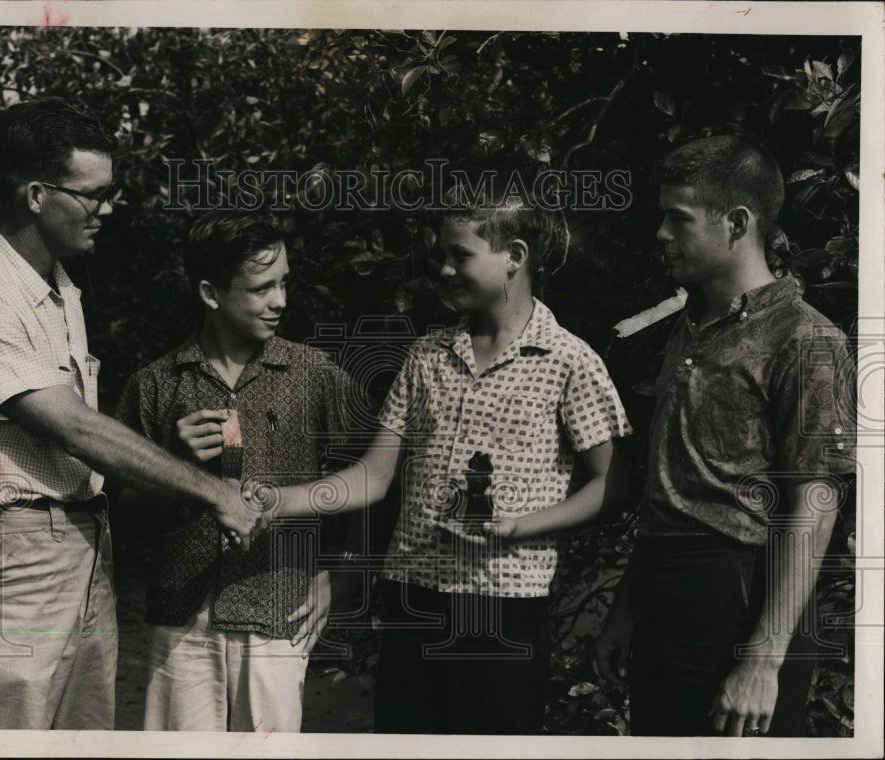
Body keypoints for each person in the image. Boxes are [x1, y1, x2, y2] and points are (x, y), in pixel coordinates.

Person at [0, 99, 264, 730]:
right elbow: (72, 426)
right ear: (38, 194)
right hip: (9, 564)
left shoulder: (59, 286)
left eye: (111, 191)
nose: (108, 208)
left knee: (83, 741)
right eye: (94, 194)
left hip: (82, 547)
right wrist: (214, 491)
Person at [246, 180, 632, 734]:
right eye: (441, 256)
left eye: (461, 255)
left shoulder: (570, 362)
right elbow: (374, 477)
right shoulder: (425, 357)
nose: (445, 270)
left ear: (514, 258)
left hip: (506, 610)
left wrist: (520, 527)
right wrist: (279, 500)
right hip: (413, 602)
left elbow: (614, 483)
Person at [594, 135, 856, 737]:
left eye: (678, 218)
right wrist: (627, 608)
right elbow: (671, 490)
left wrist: (764, 658)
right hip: (665, 597)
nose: (661, 233)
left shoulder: (804, 339)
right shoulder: (686, 329)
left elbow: (813, 507)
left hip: (744, 599)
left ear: (737, 222)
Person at [115, 212, 353, 732]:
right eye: (262, 287)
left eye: (284, 282)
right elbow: (124, 523)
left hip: (279, 611)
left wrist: (342, 573)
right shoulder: (153, 387)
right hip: (179, 621)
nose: (281, 300)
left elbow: (370, 483)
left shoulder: (315, 376)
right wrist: (170, 465)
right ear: (210, 293)